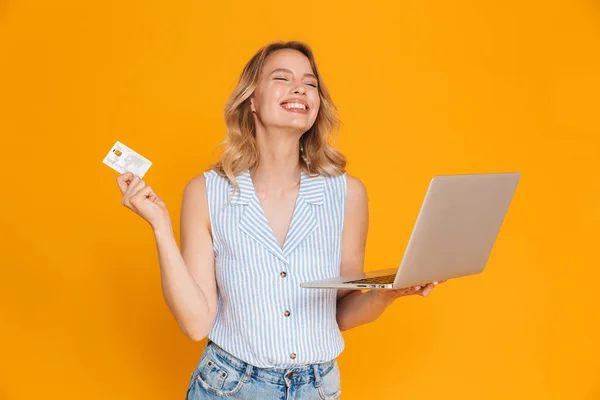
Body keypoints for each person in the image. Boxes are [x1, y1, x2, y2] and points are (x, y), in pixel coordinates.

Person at [116, 41, 441, 399]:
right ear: (251, 100)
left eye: (310, 83)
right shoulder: (206, 192)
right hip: (229, 387)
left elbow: (342, 312)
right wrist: (160, 225)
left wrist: (388, 294)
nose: (300, 88)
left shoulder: (347, 194)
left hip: (317, 388)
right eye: (282, 78)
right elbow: (195, 325)